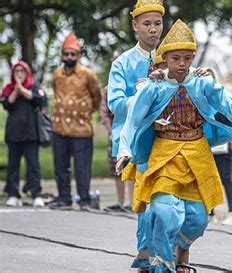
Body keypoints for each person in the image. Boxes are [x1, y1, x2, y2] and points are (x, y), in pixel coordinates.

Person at [116, 19, 232, 273]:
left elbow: (229, 106)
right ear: (165, 58)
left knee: (197, 221)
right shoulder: (154, 86)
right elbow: (133, 119)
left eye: (187, 58)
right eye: (175, 58)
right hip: (163, 156)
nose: (181, 64)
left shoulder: (202, 82)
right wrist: (124, 150)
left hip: (197, 157)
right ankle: (161, 262)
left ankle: (176, 249)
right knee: (164, 212)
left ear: (193, 58)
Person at [108, 0, 166, 270]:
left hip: (169, 138)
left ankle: (167, 255)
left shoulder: (172, 58)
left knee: (169, 201)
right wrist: (141, 96)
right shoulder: (123, 62)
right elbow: (115, 103)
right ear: (135, 26)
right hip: (137, 141)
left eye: (157, 23)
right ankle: (147, 255)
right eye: (147, 24)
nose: (153, 29)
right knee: (146, 202)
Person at [48, 32, 102, 210]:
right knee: (60, 165)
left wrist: (84, 112)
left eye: (73, 54)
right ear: (62, 55)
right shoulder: (57, 74)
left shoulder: (88, 75)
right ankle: (64, 198)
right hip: (59, 128)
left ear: (78, 56)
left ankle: (84, 200)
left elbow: (97, 97)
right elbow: (56, 94)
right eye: (66, 54)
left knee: (82, 167)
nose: (69, 57)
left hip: (81, 129)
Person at [1, 61, 46, 207]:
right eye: (17, 71)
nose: (19, 74)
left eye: (22, 71)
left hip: (30, 134)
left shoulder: (34, 87)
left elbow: (38, 101)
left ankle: (36, 194)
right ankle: (13, 194)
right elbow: (7, 104)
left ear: (27, 73)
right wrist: (16, 89)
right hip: (14, 134)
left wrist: (22, 89)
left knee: (33, 166)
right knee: (13, 166)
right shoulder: (8, 88)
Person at [207, 67, 232, 226]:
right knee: (207, 179)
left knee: (225, 178)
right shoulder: (198, 97)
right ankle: (209, 213)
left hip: (223, 145)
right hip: (205, 146)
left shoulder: (224, 96)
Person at [101, 51, 134, 212]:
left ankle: (132, 202)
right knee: (117, 169)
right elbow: (104, 113)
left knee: (132, 167)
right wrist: (112, 132)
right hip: (115, 133)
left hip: (133, 131)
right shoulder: (108, 89)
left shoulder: (134, 84)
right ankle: (120, 202)